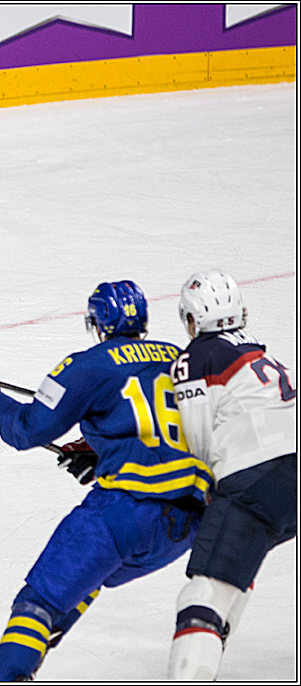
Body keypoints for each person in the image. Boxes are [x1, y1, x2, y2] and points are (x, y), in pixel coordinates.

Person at [0, 280, 215, 681]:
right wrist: (103, 447)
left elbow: (27, 429)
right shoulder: (181, 357)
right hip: (189, 523)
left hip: (126, 510)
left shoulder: (90, 365)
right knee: (87, 577)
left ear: (98, 322)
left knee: (37, 605)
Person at [166, 269, 296, 680]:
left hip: (256, 477)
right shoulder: (262, 354)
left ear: (192, 318)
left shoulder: (197, 358)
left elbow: (198, 448)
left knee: (207, 591)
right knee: (239, 565)